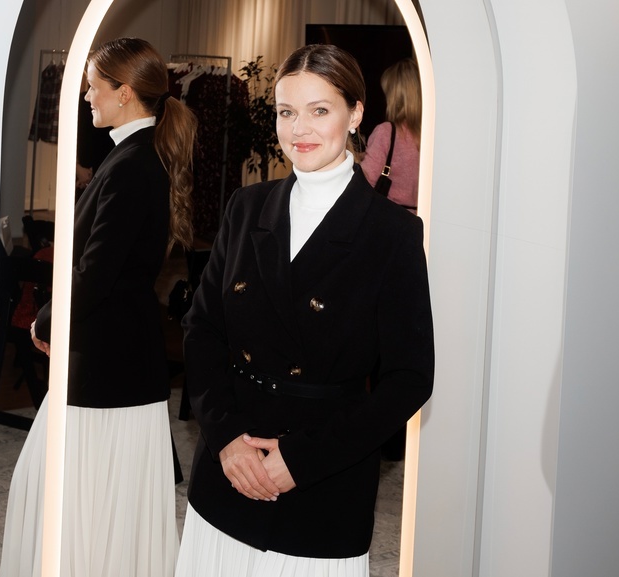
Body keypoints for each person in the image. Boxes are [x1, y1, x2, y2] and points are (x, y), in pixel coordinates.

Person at [174, 44, 434, 577]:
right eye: (286, 112)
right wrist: (226, 439)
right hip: (229, 470)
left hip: (323, 483)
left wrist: (302, 460)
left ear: (355, 114)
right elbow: (201, 330)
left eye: (319, 110)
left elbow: (409, 379)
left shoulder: (393, 234)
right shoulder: (246, 207)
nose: (299, 129)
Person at [0, 37, 197, 577]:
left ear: (124, 93)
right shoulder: (133, 155)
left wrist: (45, 320)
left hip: (108, 362)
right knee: (85, 498)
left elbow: (97, 272)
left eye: (93, 86)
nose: (87, 96)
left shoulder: (133, 163)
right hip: (114, 356)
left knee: (75, 497)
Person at [360, 57, 422, 212]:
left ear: (395, 96)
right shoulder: (430, 134)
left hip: (390, 217)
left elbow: (365, 181)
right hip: (422, 218)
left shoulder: (387, 132)